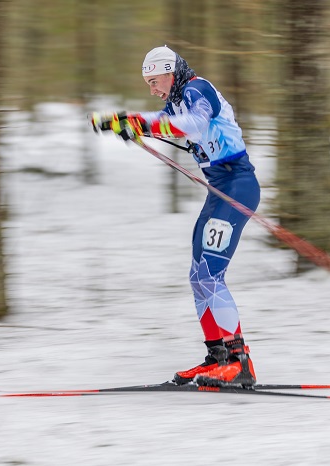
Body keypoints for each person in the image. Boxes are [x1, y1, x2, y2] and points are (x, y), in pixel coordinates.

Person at [91, 45, 261, 388]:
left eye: (155, 81)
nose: (153, 89)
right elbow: (171, 124)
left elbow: (193, 124)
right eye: (148, 84)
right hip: (219, 191)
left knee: (211, 275)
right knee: (198, 275)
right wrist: (127, 125)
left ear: (172, 72)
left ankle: (239, 361)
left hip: (237, 187)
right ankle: (218, 358)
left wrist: (142, 121)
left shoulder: (199, 89)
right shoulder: (176, 102)